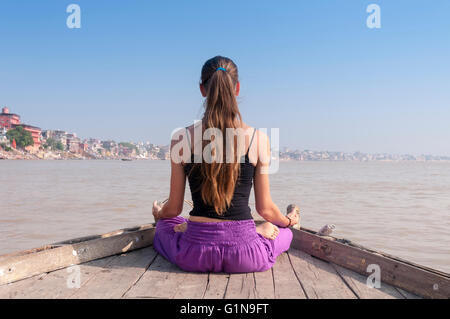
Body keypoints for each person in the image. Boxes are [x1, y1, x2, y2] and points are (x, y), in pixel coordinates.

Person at [152, 56, 299, 273]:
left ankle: (254, 230)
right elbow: (265, 209)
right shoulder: (258, 139)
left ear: (202, 89)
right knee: (285, 233)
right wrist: (287, 221)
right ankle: (259, 231)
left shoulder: (181, 139)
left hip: (195, 254)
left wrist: (159, 214)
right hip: (246, 254)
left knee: (166, 224)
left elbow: (174, 208)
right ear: (237, 88)